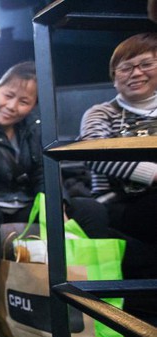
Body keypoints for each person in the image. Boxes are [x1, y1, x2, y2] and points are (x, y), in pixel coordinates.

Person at [0, 61, 109, 337]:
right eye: (8, 95)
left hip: (21, 203)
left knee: (91, 210)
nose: (12, 106)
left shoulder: (34, 127)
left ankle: (89, 299)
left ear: (33, 105)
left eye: (24, 101)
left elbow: (44, 172)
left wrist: (59, 206)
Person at [79, 32, 157, 277]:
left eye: (146, 64)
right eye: (125, 68)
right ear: (114, 78)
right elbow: (93, 152)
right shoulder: (101, 113)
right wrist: (153, 173)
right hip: (117, 202)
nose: (136, 73)